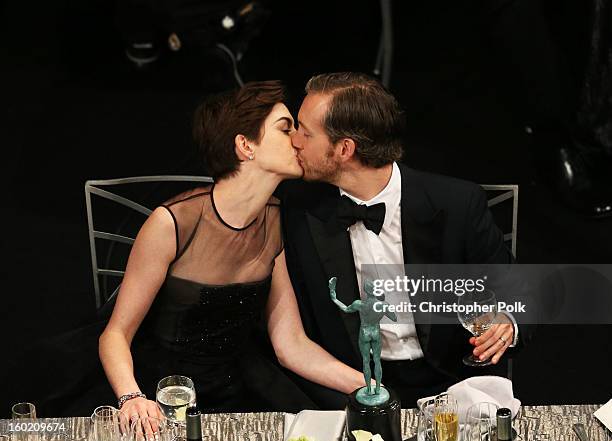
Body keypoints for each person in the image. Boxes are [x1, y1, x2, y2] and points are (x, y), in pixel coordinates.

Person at [98, 80, 369, 420]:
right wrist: (131, 397)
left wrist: (367, 385)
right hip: (162, 387)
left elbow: (291, 345)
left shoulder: (274, 220)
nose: (299, 140)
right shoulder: (173, 224)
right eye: (286, 129)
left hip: (235, 385)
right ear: (245, 145)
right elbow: (116, 334)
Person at [278, 72, 523, 409]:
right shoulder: (296, 210)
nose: (294, 140)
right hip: (346, 388)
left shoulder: (455, 203)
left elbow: (520, 287)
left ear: (345, 148)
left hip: (446, 383)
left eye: (304, 132)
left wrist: (508, 322)